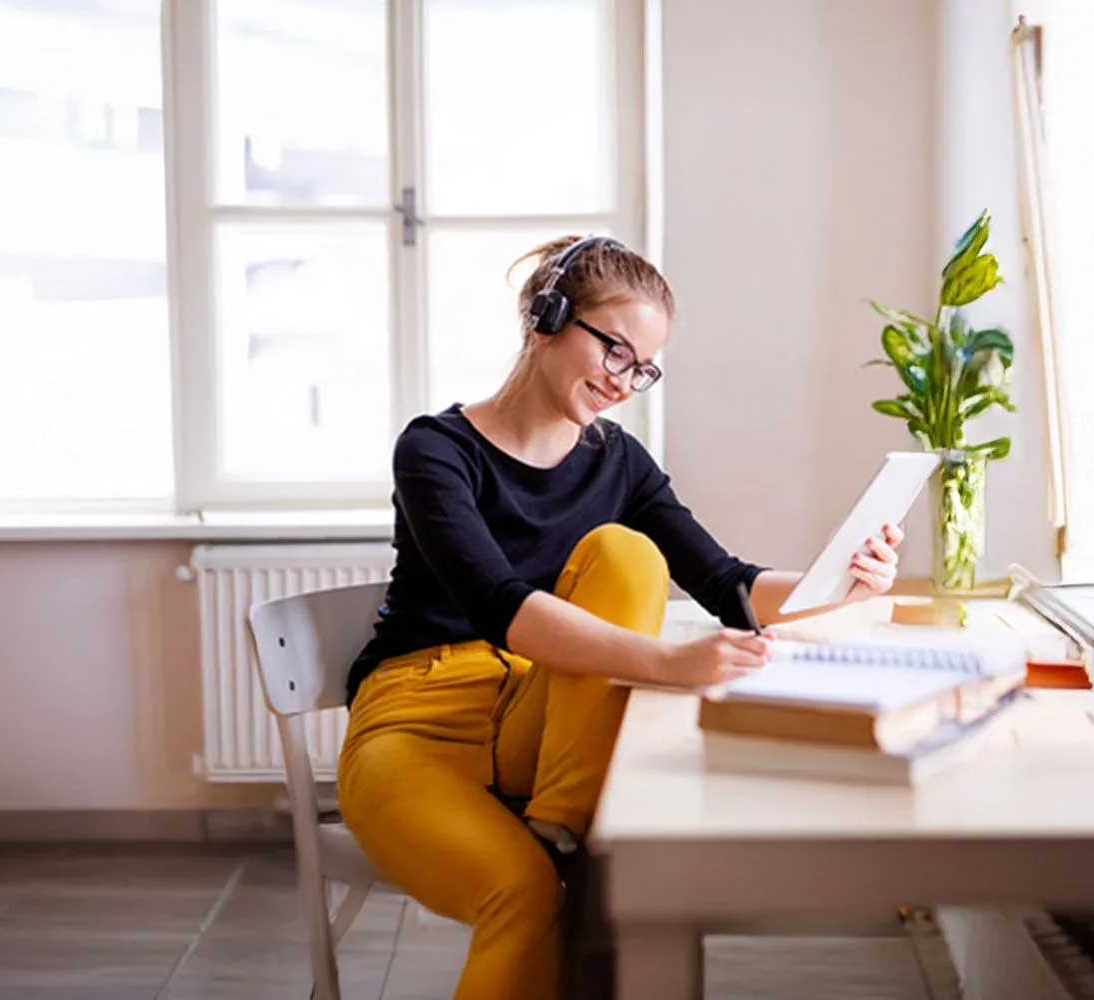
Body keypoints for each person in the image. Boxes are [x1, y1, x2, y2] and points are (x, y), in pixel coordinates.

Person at [337, 235, 904, 1000]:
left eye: (642, 367)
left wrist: (845, 585)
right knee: (527, 894)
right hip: (417, 721)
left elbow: (726, 583)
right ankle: (569, 848)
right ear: (546, 318)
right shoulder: (437, 450)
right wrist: (671, 664)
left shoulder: (619, 462)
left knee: (627, 555)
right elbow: (502, 607)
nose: (624, 382)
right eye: (614, 351)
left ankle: (562, 827)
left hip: (538, 723)